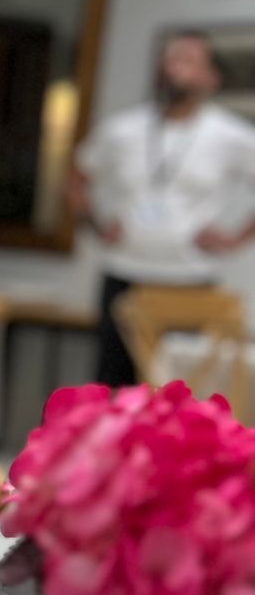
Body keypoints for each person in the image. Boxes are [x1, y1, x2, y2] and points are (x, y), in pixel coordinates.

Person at [66, 32, 255, 386]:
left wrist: (235, 239)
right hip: (125, 276)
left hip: (189, 280)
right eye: (169, 59)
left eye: (187, 61)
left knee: (177, 387)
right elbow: (78, 176)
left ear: (211, 77)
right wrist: (96, 225)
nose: (175, 69)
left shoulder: (231, 136)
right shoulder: (122, 129)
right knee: (115, 384)